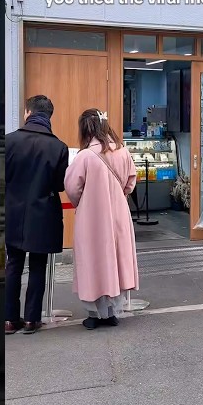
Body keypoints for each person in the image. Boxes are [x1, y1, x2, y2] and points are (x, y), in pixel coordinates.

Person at [64, 109, 138, 330]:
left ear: (85, 129)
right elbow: (130, 182)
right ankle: (112, 312)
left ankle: (94, 313)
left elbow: (72, 187)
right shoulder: (122, 151)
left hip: (92, 217)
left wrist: (84, 202)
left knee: (93, 259)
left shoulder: (85, 156)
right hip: (119, 215)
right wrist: (118, 195)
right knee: (115, 258)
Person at [4, 95, 69, 335]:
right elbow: (60, 185)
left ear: (28, 113)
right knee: (38, 265)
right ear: (49, 116)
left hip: (12, 212)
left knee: (13, 264)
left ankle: (9, 319)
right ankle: (32, 319)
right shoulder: (58, 147)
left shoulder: (8, 142)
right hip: (43, 214)